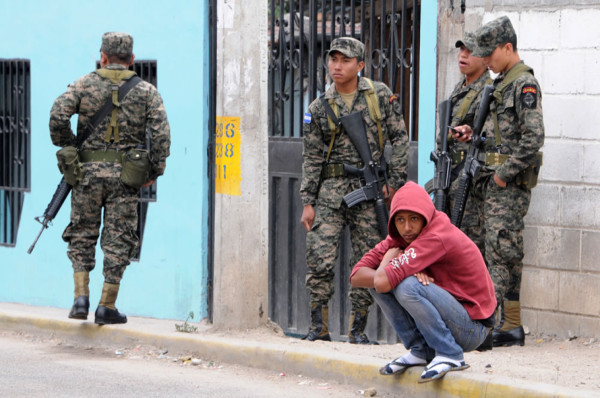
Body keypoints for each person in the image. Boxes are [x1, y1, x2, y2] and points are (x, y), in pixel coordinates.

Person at [49, 32, 171, 325]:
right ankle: (107, 306)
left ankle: (80, 298)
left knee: (82, 233)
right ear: (131, 59)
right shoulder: (147, 91)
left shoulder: (82, 84)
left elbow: (57, 117)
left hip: (86, 176)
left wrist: (71, 145)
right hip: (125, 179)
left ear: (102, 56)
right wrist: (152, 172)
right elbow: (162, 136)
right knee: (119, 240)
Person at [300, 37, 409, 343]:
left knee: (366, 261)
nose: (337, 66)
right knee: (319, 259)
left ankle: (357, 331)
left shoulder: (379, 97)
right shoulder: (318, 107)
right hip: (331, 192)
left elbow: (400, 139)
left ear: (360, 65)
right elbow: (310, 156)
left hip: (369, 190)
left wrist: (394, 182)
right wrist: (308, 201)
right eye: (333, 60)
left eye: (345, 60)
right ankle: (317, 328)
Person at [453, 16, 545, 347]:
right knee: (503, 251)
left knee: (499, 251)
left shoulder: (523, 84)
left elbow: (533, 138)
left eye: (490, 54)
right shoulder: (504, 81)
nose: (487, 60)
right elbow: (502, 134)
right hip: (492, 179)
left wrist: (503, 177)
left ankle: (490, 328)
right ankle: (511, 325)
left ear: (508, 48)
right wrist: (472, 134)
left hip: (506, 184)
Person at [350, 181, 496, 382]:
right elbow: (356, 276)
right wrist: (392, 263)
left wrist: (390, 265)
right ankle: (421, 350)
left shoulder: (435, 235)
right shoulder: (400, 237)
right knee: (380, 281)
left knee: (406, 286)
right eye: (400, 220)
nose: (407, 227)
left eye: (414, 219)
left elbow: (383, 281)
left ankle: (450, 354)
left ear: (425, 218)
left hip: (473, 328)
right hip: (452, 316)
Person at [444, 31, 491, 255]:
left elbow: (492, 135)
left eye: (470, 51)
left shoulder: (488, 91)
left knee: (469, 245)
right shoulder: (460, 87)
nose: (463, 55)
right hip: (449, 175)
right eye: (461, 50)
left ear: (484, 57)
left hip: (470, 182)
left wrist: (472, 133)